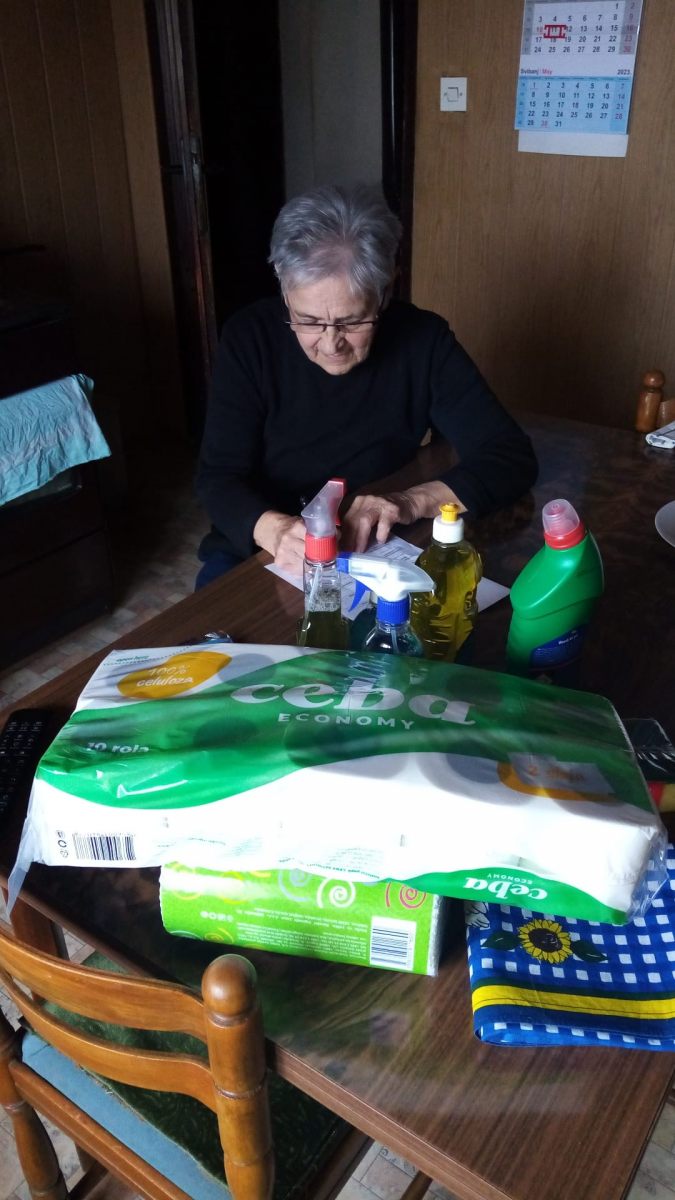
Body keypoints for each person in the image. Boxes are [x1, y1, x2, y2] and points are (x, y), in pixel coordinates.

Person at [195, 183, 537, 587]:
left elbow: (510, 456)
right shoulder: (249, 339)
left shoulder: (423, 341)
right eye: (308, 320)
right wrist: (274, 529)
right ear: (284, 290)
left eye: (352, 321)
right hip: (261, 545)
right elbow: (218, 477)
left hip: (377, 543)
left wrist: (411, 501)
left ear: (384, 291)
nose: (330, 344)